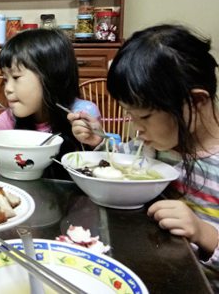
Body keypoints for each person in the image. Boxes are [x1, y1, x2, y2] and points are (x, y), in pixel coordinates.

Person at [68, 24, 219, 285]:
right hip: (148, 270)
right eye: (130, 115)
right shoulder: (152, 146)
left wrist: (204, 234)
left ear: (196, 102)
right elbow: (120, 162)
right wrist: (98, 141)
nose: (136, 128)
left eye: (145, 116)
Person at [0, 28, 99, 179]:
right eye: (5, 79)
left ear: (51, 76)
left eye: (16, 77)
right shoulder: (11, 118)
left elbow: (105, 166)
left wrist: (95, 142)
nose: (8, 89)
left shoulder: (81, 112)